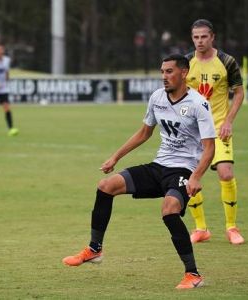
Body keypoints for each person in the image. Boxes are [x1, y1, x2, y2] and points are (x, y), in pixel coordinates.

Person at [62, 54, 216, 289]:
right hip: (159, 166)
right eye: (162, 71)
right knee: (106, 186)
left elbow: (209, 148)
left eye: (169, 71)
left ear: (184, 73)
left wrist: (196, 177)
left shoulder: (198, 104)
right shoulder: (157, 97)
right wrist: (116, 156)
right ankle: (95, 249)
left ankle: (193, 275)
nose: (164, 76)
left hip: (183, 170)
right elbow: (144, 133)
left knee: (169, 210)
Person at [185, 19, 245, 245]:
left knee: (226, 173)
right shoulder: (186, 63)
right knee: (187, 178)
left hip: (219, 128)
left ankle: (232, 227)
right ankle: (201, 229)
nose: (200, 41)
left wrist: (229, 121)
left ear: (212, 37)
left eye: (204, 37)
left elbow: (238, 93)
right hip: (192, 132)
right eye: (196, 37)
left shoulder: (227, 61)